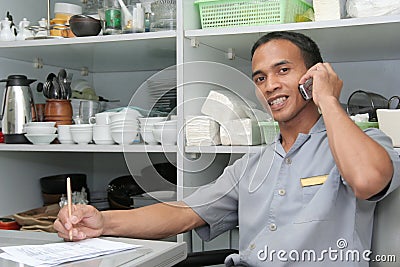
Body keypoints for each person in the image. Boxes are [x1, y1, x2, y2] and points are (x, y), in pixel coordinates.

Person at [54, 31, 400, 266]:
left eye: (283, 70)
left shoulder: (364, 144)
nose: (270, 85)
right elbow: (183, 212)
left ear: (312, 75)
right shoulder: (252, 164)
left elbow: (367, 180)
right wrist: (102, 222)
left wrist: (327, 98)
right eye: (260, 77)